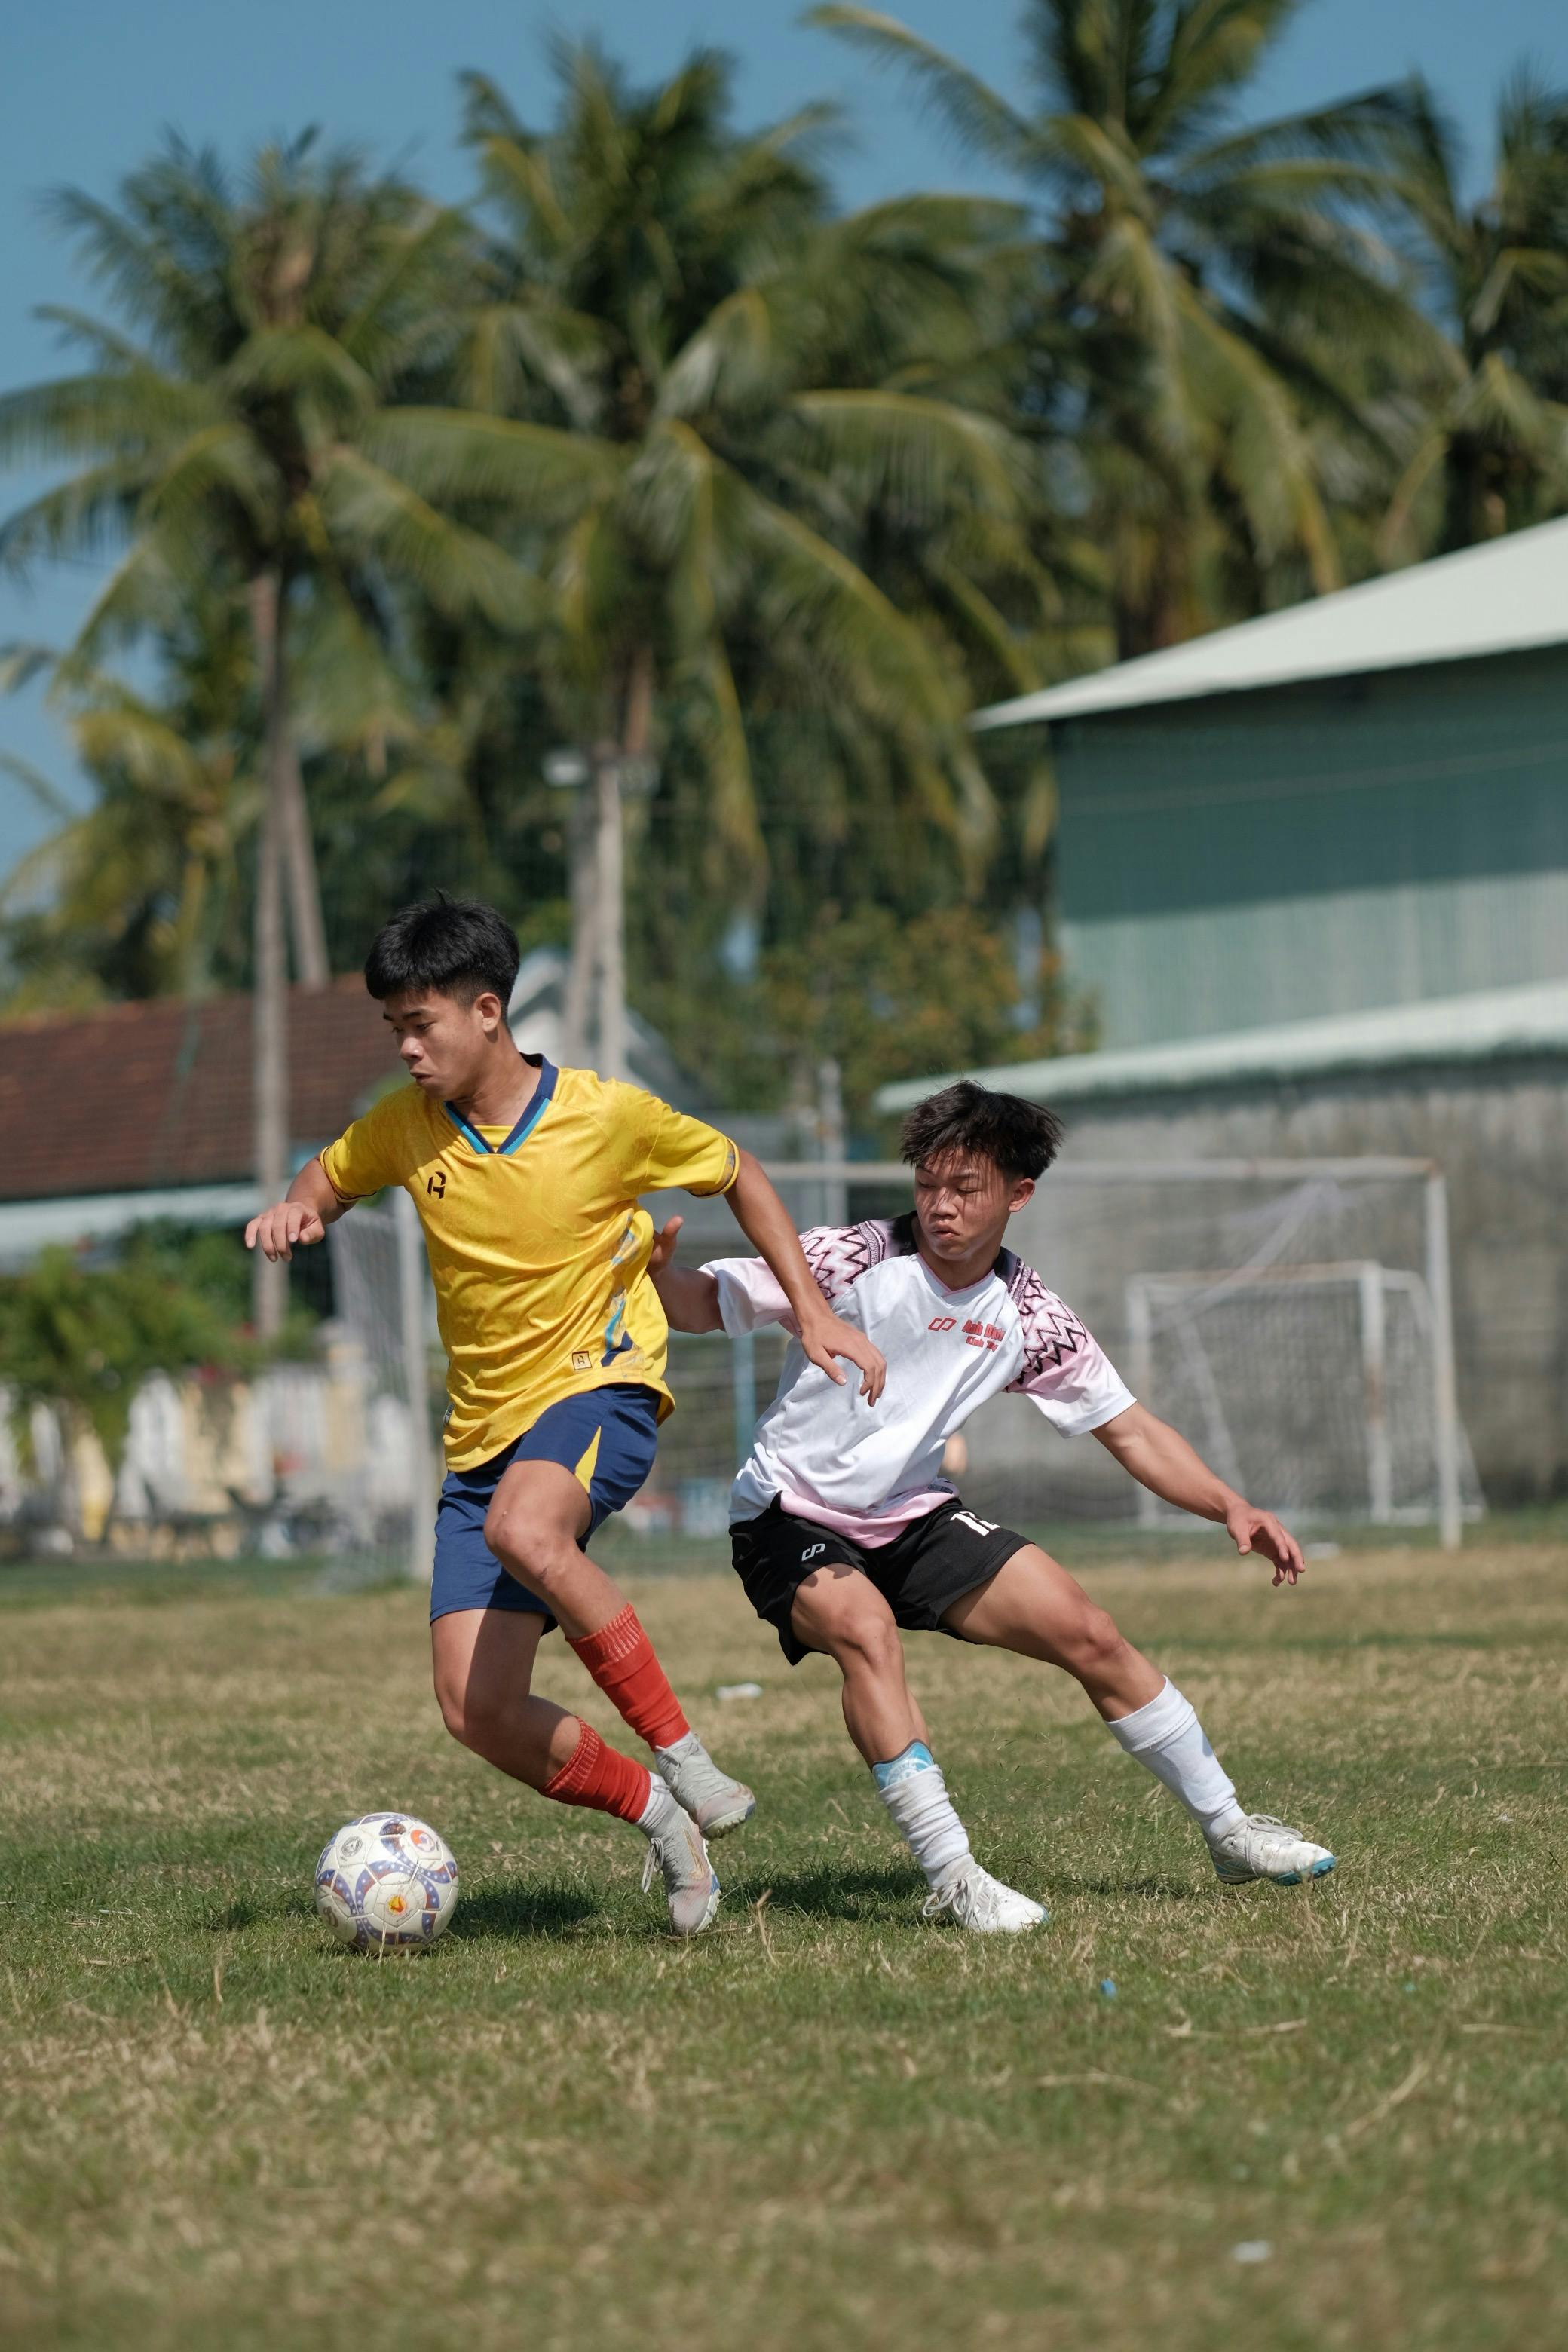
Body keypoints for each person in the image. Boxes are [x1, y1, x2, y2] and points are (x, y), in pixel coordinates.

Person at [245, 898, 885, 1936]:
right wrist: (299, 1207)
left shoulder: (605, 1115)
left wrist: (809, 1311)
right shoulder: (406, 1128)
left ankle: (688, 1755)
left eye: (422, 1025)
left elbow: (740, 1172)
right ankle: (660, 1814)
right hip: (482, 1436)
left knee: (526, 1530)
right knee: (474, 1709)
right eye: (392, 1030)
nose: (406, 1048)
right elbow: (332, 1174)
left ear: (488, 1010)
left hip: (603, 1386)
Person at [650, 1079, 1335, 1934]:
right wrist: (655, 1272)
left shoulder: (1029, 1313)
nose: (941, 1206)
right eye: (928, 1185)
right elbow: (702, 1305)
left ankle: (1230, 1832)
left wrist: (1229, 1505)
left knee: (1090, 1633)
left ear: (1018, 1195)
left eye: (965, 1189)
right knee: (864, 1632)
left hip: (911, 1515)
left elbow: (1129, 1432)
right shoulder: (851, 1257)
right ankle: (956, 1878)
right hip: (789, 1514)